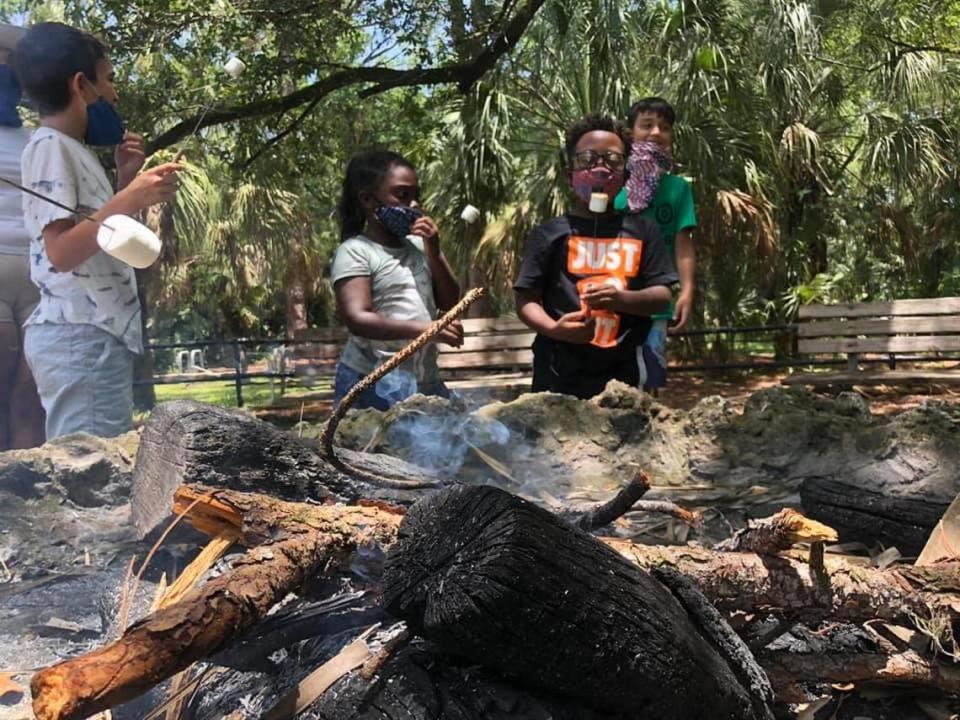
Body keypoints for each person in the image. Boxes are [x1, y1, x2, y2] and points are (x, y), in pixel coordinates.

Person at [14, 22, 181, 439]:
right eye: (108, 80)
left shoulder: (71, 150)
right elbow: (61, 253)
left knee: (100, 461)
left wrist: (126, 181)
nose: (114, 94)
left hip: (95, 331)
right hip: (80, 336)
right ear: (80, 85)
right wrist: (128, 199)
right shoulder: (50, 147)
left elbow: (100, 235)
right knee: (90, 471)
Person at [514, 113, 678, 399]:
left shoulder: (642, 230)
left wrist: (621, 300)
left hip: (624, 372)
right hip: (557, 372)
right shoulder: (549, 234)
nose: (600, 169)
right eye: (588, 159)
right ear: (570, 175)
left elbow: (662, 295)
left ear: (625, 176)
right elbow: (526, 300)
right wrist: (555, 329)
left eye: (613, 160)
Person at [331, 149, 462, 410]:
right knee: (369, 450)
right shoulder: (356, 251)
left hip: (424, 380)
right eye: (402, 195)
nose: (413, 205)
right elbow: (358, 319)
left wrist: (434, 250)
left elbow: (450, 300)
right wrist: (427, 330)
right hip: (372, 382)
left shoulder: (419, 246)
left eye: (416, 196)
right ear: (368, 200)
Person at [613, 97, 697, 392]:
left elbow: (683, 243)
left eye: (664, 127)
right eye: (647, 125)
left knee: (650, 379)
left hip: (657, 302)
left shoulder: (678, 188)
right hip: (612, 299)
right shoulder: (613, 186)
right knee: (614, 379)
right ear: (630, 133)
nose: (656, 133)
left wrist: (686, 291)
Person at [0, 23, 43, 450]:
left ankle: (31, 508)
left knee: (31, 405)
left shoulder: (36, 140)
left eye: (6, 61)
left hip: (38, 277)